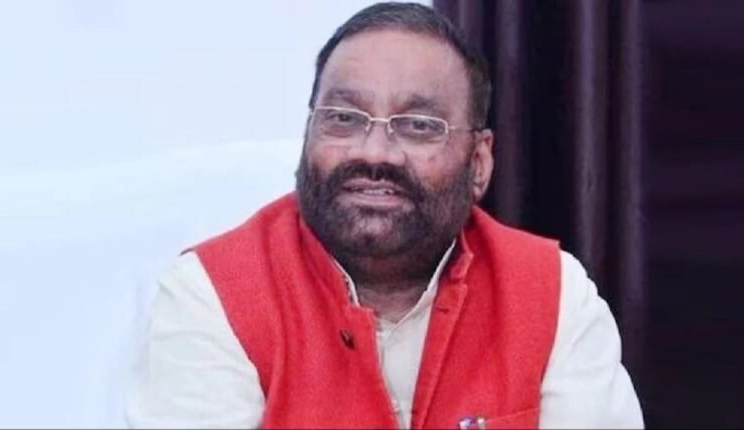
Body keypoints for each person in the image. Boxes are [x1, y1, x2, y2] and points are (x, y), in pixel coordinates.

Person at [126, 2, 643, 428]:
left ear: (479, 163)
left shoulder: (552, 294)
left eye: (418, 125)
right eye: (343, 118)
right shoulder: (213, 295)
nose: (374, 152)